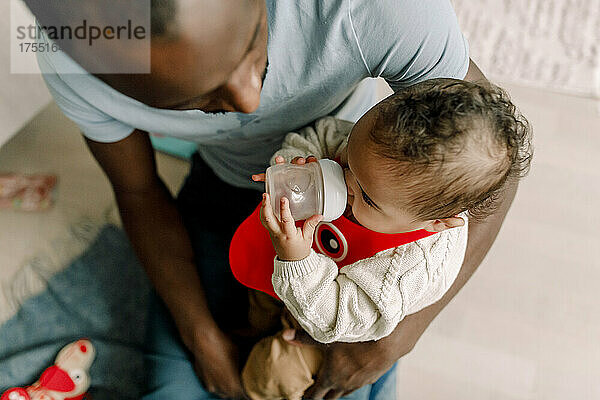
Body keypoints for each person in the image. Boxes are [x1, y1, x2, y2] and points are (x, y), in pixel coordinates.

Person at [22, 0, 516, 398]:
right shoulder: (76, 58)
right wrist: (202, 338)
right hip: (248, 195)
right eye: (201, 100)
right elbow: (137, 191)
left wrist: (396, 339)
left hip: (365, 225)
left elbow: (496, 168)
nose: (250, 103)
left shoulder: (374, 10)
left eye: (256, 53)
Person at [233, 79, 532, 399]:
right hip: (288, 266)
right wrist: (297, 166)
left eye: (367, 197)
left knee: (272, 373)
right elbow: (319, 134)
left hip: (334, 321)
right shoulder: (372, 146)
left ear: (437, 223)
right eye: (347, 160)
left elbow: (334, 318)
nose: (344, 182)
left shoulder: (411, 268)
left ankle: (250, 389)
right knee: (256, 303)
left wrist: (297, 260)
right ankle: (256, 325)